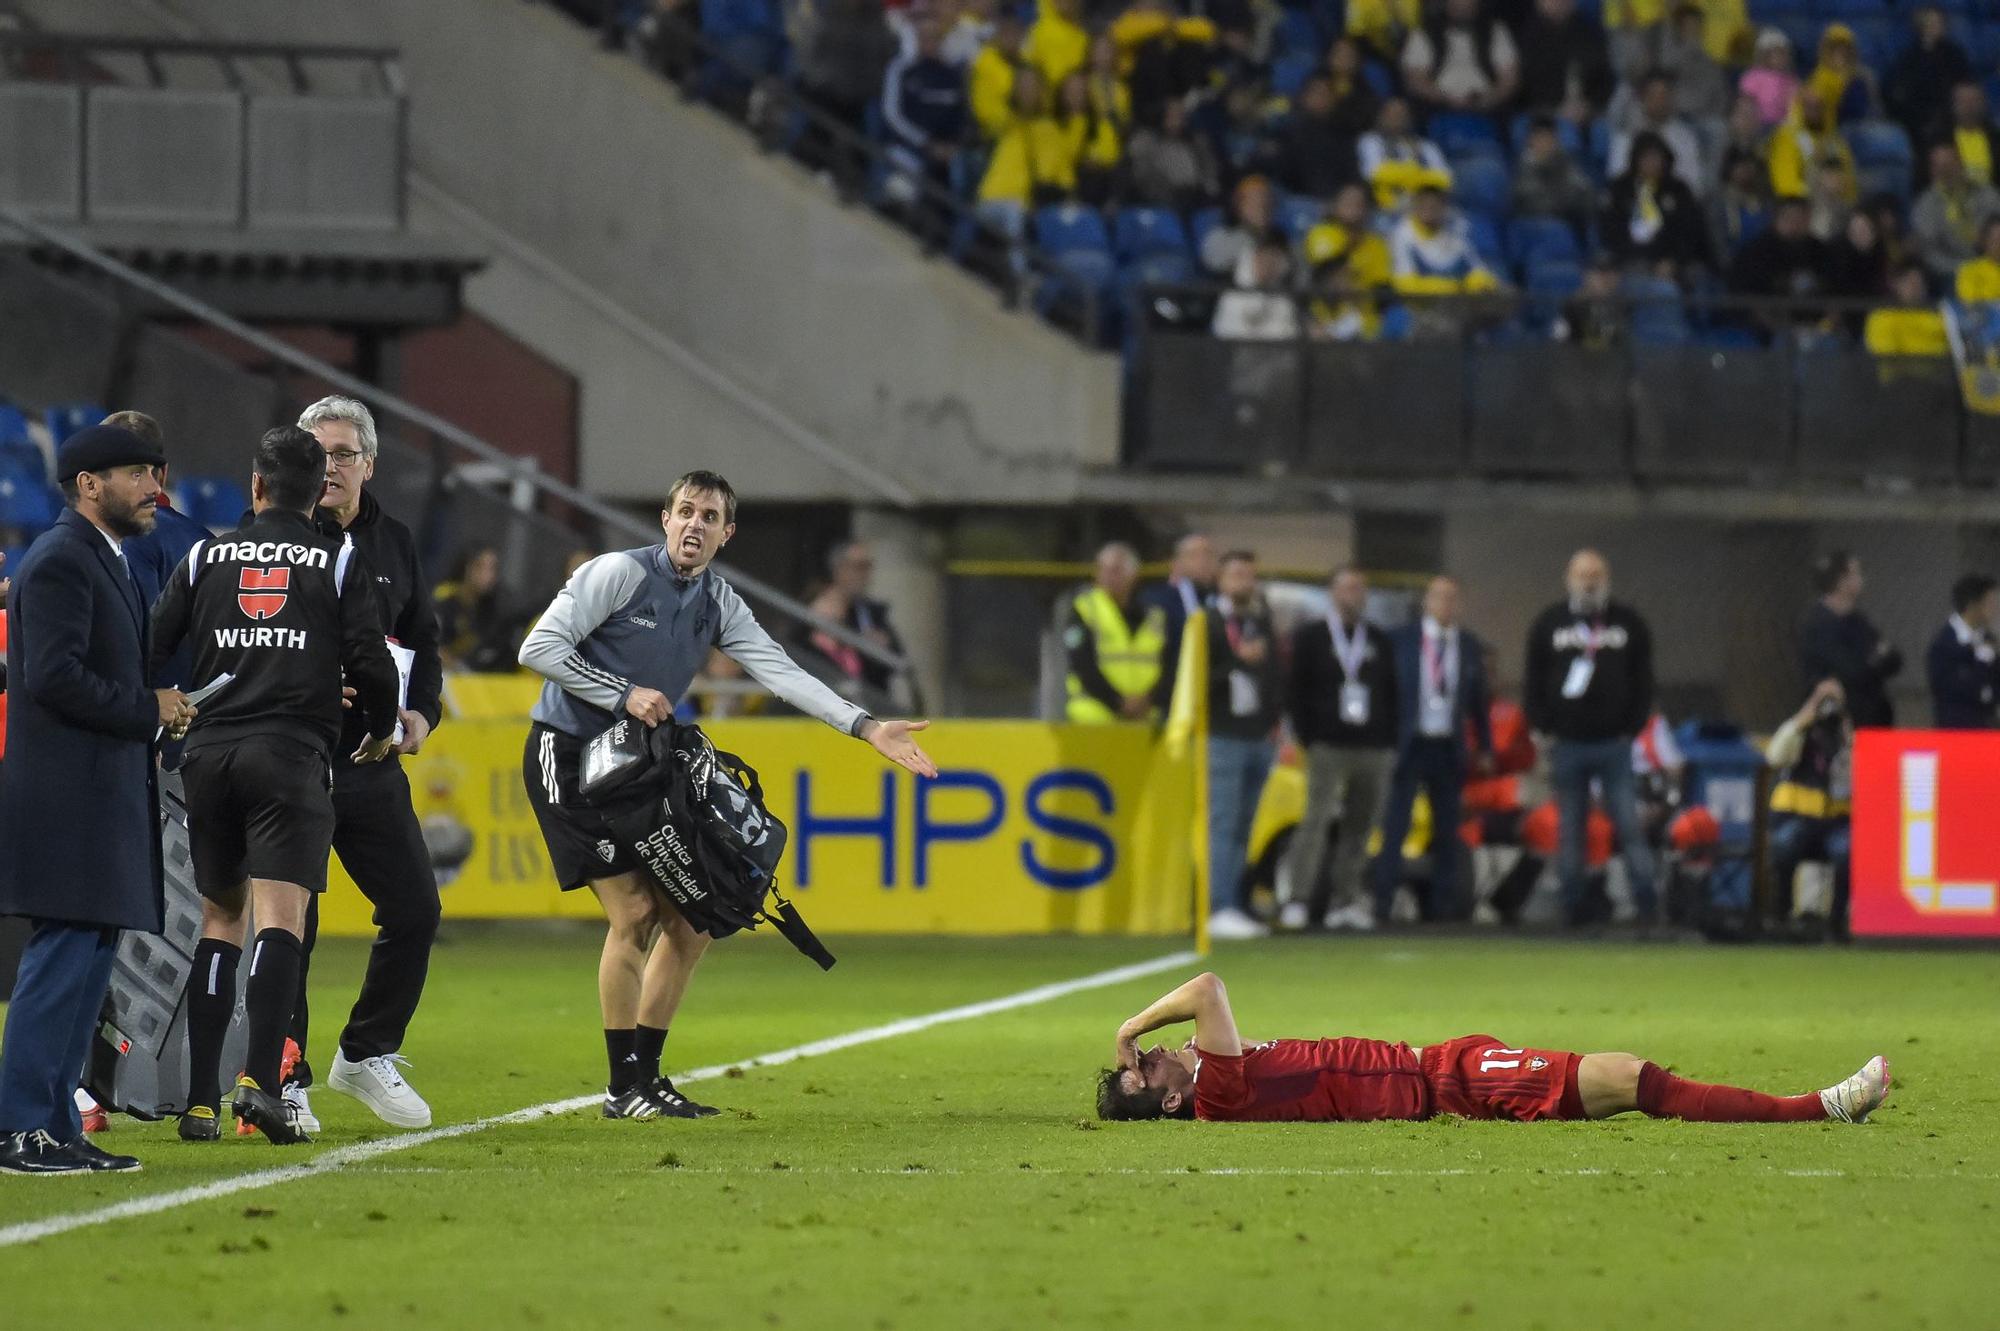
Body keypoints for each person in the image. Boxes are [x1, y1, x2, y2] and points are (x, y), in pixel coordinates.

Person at [519, 469, 936, 1119]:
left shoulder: (717, 601)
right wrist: (621, 693)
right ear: (665, 519)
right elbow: (538, 646)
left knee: (693, 919)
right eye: (685, 510)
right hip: (566, 753)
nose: (694, 524)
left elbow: (782, 673)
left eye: (709, 517)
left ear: (726, 533)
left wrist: (867, 725)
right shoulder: (618, 573)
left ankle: (649, 1079)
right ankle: (621, 1086)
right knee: (632, 914)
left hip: (636, 764)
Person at [148, 427, 402, 1144]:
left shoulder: (204, 555)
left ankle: (199, 1099)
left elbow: (152, 642)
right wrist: (378, 729)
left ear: (255, 487)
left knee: (220, 919)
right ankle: (259, 1079)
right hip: (288, 755)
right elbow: (372, 662)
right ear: (317, 486)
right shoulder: (336, 558)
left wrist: (167, 699)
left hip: (211, 754)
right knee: (280, 920)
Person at [0, 424, 186, 1176]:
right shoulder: (60, 559)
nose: (155, 488)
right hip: (65, 799)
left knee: (88, 965)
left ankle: (55, 1125)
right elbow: (54, 677)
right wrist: (150, 707)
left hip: (101, 794)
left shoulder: (103, 558)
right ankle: (18, 1128)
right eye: (138, 472)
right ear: (87, 483)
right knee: (61, 960)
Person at [1096, 971, 1891, 1126]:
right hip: (1445, 1084)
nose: (1153, 1056)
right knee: (1629, 1075)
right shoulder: (1219, 1093)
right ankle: (1817, 1107)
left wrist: (1143, 1045)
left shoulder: (1216, 1078)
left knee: (1624, 1076)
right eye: (1145, 1072)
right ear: (1167, 1097)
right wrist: (1133, 1027)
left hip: (1442, 1063)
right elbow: (1206, 987)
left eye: (1144, 1055)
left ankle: (1811, 1106)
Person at [285, 395, 447, 1134]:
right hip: (291, 752)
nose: (330, 466)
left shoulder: (397, 543)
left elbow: (425, 641)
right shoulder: (279, 537)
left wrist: (421, 713)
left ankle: (367, 1050)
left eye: (344, 453)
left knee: (416, 907)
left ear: (369, 464)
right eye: (316, 453)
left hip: (372, 757)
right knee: (294, 923)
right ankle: (285, 1071)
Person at [1523, 549, 1659, 926]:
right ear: (1569, 578)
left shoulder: (1628, 623)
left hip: (1614, 744)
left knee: (1629, 825)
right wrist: (1544, 727)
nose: (1590, 581)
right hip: (1567, 744)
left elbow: (1643, 680)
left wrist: (1630, 728)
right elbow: (1533, 680)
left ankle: (1647, 905)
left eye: (1596, 574)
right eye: (1583, 574)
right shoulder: (1549, 624)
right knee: (1570, 829)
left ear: (1607, 578)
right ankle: (1573, 908)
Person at [1280, 566, 1396, 931]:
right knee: (1315, 821)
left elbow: (1392, 693)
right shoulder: (1312, 637)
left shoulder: (1378, 638)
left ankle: (1345, 900)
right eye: (1347, 588)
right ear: (1332, 593)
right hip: (1327, 744)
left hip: (1372, 747)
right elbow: (1295, 690)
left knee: (1361, 826)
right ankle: (1297, 899)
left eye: (1360, 588)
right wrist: (1308, 736)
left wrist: (1388, 740)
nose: (1354, 595)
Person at [1373, 575, 1492, 922]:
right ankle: (1383, 903)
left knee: (1447, 828)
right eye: (1439, 597)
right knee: (1396, 825)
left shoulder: (1468, 645)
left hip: (1447, 746)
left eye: (1452, 598)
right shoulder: (1402, 641)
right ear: (1427, 601)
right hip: (1410, 744)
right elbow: (1386, 693)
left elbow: (1478, 702)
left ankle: (1442, 909)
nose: (1446, 604)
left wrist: (1484, 745)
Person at [1765, 678, 1853, 938]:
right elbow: (1775, 756)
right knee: (1784, 843)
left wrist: (1848, 741)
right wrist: (1803, 719)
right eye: (1822, 699)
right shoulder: (1798, 732)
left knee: (1846, 851)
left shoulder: (1847, 739)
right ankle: (1781, 915)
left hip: (1835, 823)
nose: (1828, 707)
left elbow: (1856, 781)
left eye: (1834, 700)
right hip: (1798, 819)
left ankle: (1837, 922)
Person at [1066, 541, 1168, 723]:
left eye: (1116, 570)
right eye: (1102, 569)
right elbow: (1082, 663)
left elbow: (1166, 662)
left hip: (1144, 720)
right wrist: (1117, 702)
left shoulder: (1154, 616)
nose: (1107, 576)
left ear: (1133, 575)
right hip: (1094, 718)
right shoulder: (1084, 608)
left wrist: (1150, 698)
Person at [797, 538, 907, 705]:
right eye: (858, 567)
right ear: (838, 569)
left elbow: (897, 658)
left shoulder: (871, 613)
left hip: (868, 700)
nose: (865, 575)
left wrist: (884, 646)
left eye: (868, 567)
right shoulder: (813, 608)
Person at [1798, 550, 1900, 729]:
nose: (1861, 579)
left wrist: (1874, 661)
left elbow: (1893, 659)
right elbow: (1851, 670)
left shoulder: (1858, 621)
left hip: (1873, 715)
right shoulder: (1818, 624)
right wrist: (1875, 660)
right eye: (1855, 573)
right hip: (1839, 721)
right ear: (1841, 581)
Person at [1602, 130, 1711, 277]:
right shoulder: (1619, 189)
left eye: (1656, 157)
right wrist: (1629, 256)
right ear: (1635, 160)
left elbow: (1689, 231)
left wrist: (1674, 261)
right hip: (1628, 261)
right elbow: (1611, 230)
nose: (1652, 163)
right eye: (1646, 158)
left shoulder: (1678, 190)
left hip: (1672, 262)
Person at [1400, 0, 1519, 119]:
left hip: (1487, 109)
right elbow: (1415, 79)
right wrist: (1445, 99)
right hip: (1436, 108)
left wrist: (1487, 100)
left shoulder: (1496, 31)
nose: (1462, 6)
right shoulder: (1424, 33)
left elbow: (1509, 79)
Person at [1912, 142, 2000, 288]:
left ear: (1960, 163)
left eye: (1949, 165)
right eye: (1939, 167)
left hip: (1992, 265)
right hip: (1950, 274)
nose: (1945, 172)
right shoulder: (1925, 204)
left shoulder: (1986, 193)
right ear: (1932, 170)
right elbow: (1929, 251)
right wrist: (1963, 268)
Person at [1143, 530, 1215, 706]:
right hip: (1171, 698)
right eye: (1194, 555)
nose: (1203, 561)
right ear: (1176, 564)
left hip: (1211, 697)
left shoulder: (1219, 601)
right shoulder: (1157, 601)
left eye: (1208, 555)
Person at [1608, 70, 1706, 196]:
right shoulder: (1626, 136)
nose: (1659, 102)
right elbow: (1616, 177)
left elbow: (1694, 184)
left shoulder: (1685, 137)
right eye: (1653, 95)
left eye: (1664, 96)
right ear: (1642, 98)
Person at [1885, 7, 1970, 153]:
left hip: (1949, 112)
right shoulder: (1910, 56)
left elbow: (1965, 82)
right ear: (1922, 26)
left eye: (1939, 23)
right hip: (1919, 117)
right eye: (1931, 23)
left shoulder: (1954, 54)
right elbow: (1898, 88)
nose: (1936, 27)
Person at [1513, 0, 1613, 125]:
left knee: (1602, 130)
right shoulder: (1526, 36)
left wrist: (1588, 105)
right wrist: (1558, 108)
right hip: (1541, 110)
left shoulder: (1589, 33)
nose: (1558, 2)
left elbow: (1603, 75)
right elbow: (1528, 80)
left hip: (1588, 110)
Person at [1389, 186, 1502, 295]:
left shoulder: (1455, 232)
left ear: (1444, 208)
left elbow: (1476, 271)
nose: (1429, 211)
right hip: (1418, 308)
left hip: (1456, 305)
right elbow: (1405, 285)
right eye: (1424, 205)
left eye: (1434, 206)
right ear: (1415, 207)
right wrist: (1450, 288)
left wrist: (1483, 284)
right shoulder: (1403, 234)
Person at [434, 544, 524, 673]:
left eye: (492, 568)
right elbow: (432, 647)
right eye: (479, 567)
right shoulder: (445, 600)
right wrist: (460, 669)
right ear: (465, 567)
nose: (487, 575)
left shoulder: (495, 607)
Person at [1926, 573, 2000, 728]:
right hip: (1956, 731)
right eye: (1990, 602)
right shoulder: (1944, 644)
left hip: (1988, 727)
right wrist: (1981, 661)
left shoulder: (1988, 638)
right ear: (1973, 604)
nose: (1995, 608)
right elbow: (1951, 690)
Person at [1356, 97, 1452, 216]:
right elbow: (1373, 172)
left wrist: (1402, 175)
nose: (1396, 118)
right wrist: (1419, 175)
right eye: (1391, 113)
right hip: (1387, 209)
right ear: (1381, 116)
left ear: (1409, 118)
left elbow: (1444, 179)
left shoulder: (1426, 146)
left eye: (1401, 114)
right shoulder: (1371, 141)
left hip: (1424, 209)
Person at [1512, 115, 1596, 239]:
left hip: (1569, 217)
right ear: (1531, 140)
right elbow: (1532, 201)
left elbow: (1584, 190)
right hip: (1538, 225)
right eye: (1540, 138)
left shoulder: (1566, 161)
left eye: (1549, 138)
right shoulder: (1523, 167)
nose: (1545, 143)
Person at [1865, 261, 1949, 358]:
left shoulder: (1938, 315)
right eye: (1909, 282)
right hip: (1903, 372)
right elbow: (1886, 357)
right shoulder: (1882, 316)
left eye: (1919, 282)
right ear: (1897, 284)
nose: (1916, 287)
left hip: (1942, 370)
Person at [1737, 28, 1798, 129]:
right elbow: (1745, 101)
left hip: (1782, 125)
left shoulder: (1791, 80)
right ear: (1764, 55)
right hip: (1757, 123)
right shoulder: (1753, 76)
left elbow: (1794, 105)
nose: (1780, 58)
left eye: (1783, 53)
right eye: (1776, 54)